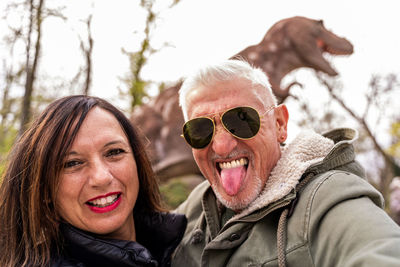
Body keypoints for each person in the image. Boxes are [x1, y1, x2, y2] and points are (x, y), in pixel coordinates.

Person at [171, 59, 400, 267]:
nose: (221, 145)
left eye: (242, 119)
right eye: (200, 129)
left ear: (280, 124)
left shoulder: (328, 197)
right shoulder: (196, 204)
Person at [0, 95, 187, 267]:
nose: (102, 177)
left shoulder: (184, 245)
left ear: (138, 162)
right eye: (72, 163)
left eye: (114, 152)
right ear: (45, 190)